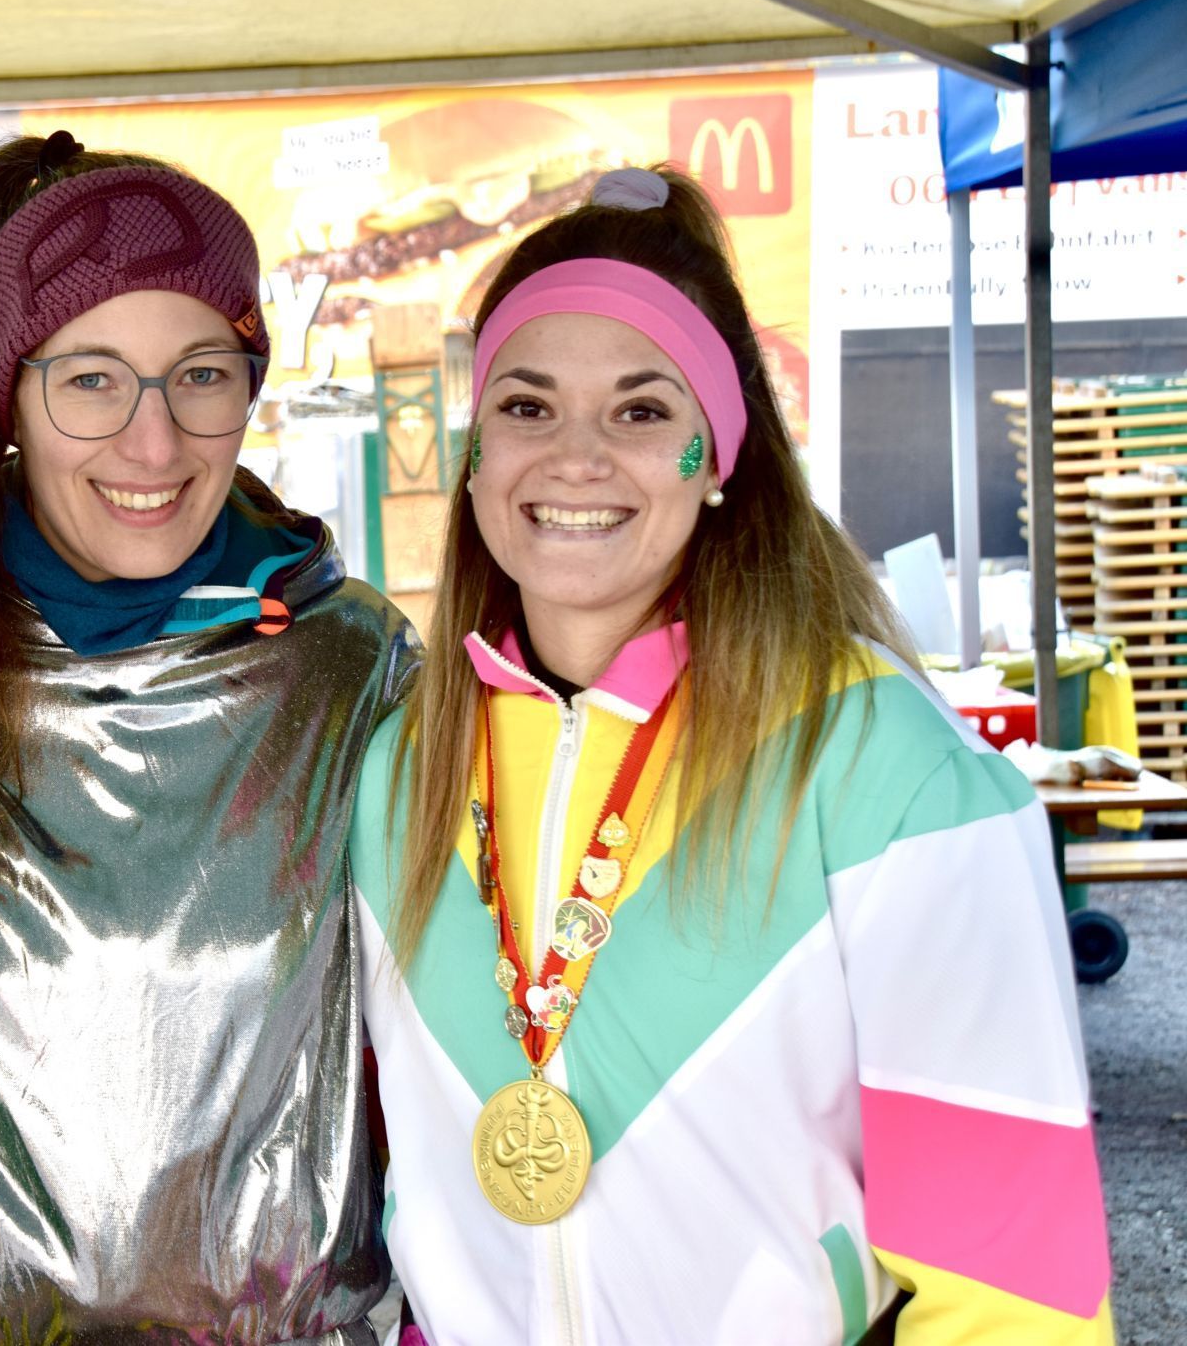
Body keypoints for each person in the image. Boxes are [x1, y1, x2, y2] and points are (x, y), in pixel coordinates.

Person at [347, 166, 1114, 1344]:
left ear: (716, 458)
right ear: (472, 450)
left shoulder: (882, 767)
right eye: (526, 405)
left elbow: (1010, 1278)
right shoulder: (395, 769)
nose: (574, 457)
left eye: (643, 409)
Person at [0, 132, 418, 1344]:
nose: (153, 446)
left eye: (200, 374)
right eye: (92, 380)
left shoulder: (345, 668)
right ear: (12, 390)